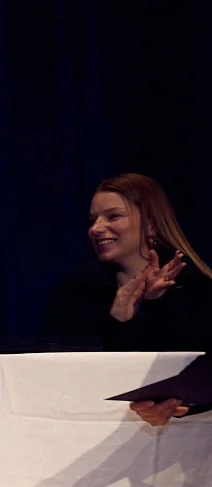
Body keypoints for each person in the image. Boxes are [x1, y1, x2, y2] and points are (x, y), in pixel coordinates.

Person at [40, 173, 210, 427]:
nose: (96, 228)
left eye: (113, 216)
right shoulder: (75, 294)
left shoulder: (194, 287)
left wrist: (156, 306)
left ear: (151, 225)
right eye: (92, 220)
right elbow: (59, 373)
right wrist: (117, 320)